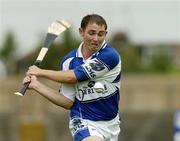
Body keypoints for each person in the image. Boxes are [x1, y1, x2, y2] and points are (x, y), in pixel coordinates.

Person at [23, 14, 122, 141]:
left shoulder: (110, 56)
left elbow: (73, 77)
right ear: (81, 32)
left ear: (105, 34)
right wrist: (37, 85)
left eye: (101, 34)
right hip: (83, 121)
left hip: (111, 123)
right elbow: (67, 101)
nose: (96, 38)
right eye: (91, 33)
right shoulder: (69, 61)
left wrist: (40, 72)